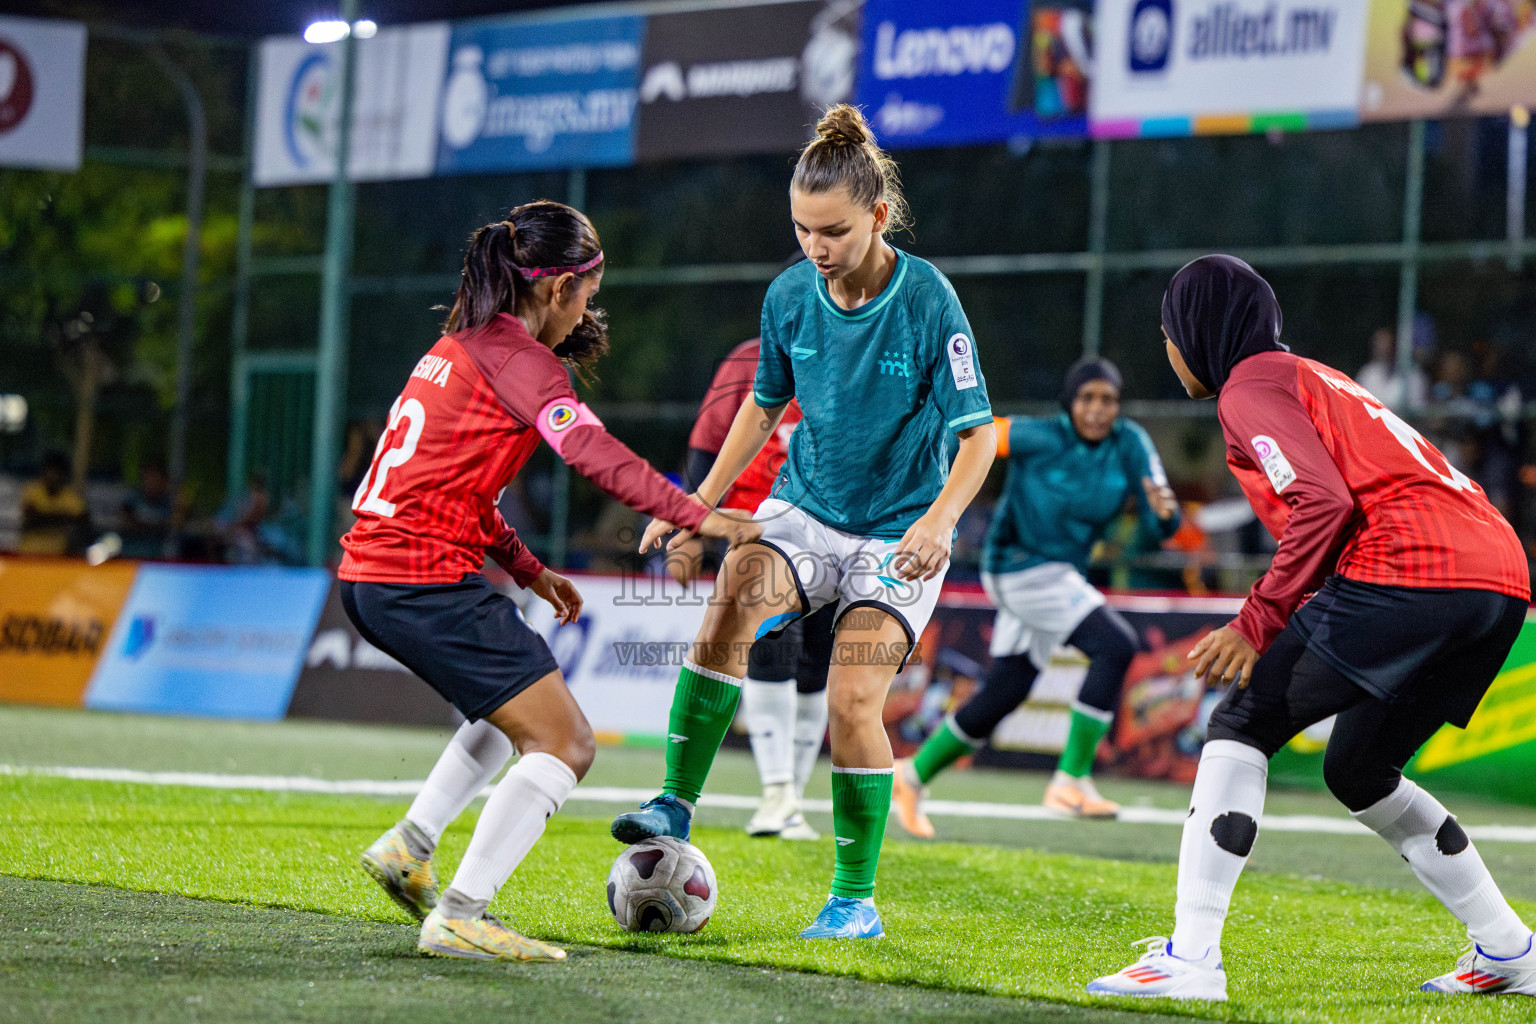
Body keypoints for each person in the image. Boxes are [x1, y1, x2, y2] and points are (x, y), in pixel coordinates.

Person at [1089, 255, 1534, 1001]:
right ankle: (1511, 949)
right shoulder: (1318, 378)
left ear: (1200, 330)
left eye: (1168, 333)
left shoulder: (1249, 386)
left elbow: (1321, 503)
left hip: (1415, 563)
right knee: (1358, 769)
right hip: (1498, 575)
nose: (1168, 352)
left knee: (1241, 720)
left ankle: (1191, 958)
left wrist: (1256, 620)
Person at [609, 105, 997, 941]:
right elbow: (760, 408)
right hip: (805, 510)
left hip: (899, 535)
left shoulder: (928, 298)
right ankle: (674, 802)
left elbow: (978, 437)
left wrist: (939, 520)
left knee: (854, 702)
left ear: (879, 217)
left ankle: (853, 901)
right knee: (733, 596)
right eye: (802, 230)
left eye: (833, 231)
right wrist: (695, 507)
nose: (816, 248)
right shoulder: (789, 295)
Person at [340, 201, 756, 963]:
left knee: (520, 711)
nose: (588, 309)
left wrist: (529, 568)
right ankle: (463, 912)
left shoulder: (460, 346)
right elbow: (593, 454)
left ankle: (412, 844)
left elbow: (456, 488)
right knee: (565, 741)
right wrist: (695, 511)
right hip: (416, 577)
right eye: (588, 294)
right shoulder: (524, 363)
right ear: (559, 286)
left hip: (378, 574)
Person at [892, 357, 1179, 833]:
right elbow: (975, 434)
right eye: (1087, 397)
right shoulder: (1038, 435)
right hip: (1017, 568)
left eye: (1107, 399)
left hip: (1062, 574)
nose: (1097, 409)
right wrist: (931, 492)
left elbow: (1159, 523)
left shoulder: (1129, 443)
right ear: (1070, 402)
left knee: (1008, 689)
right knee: (1116, 644)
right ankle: (1070, 778)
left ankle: (913, 775)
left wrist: (1163, 517)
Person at [677, 338, 834, 841]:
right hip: (755, 525)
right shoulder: (749, 357)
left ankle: (791, 798)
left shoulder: (861, 352)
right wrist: (694, 524)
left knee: (818, 664)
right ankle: (776, 790)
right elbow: (706, 444)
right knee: (772, 645)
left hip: (836, 529)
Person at [18, 451, 88, 556]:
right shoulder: (32, 490)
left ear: (64, 474)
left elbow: (83, 522)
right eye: (50, 471)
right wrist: (64, 518)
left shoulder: (70, 496)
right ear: (43, 471)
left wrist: (44, 516)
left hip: (57, 556)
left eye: (57, 472)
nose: (53, 476)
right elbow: (31, 520)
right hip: (28, 553)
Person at [1355, 326, 1427, 411]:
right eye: (1379, 344)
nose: (1383, 349)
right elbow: (1359, 404)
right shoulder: (1367, 373)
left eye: (1387, 344)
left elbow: (1417, 409)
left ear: (1395, 345)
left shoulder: (1414, 375)